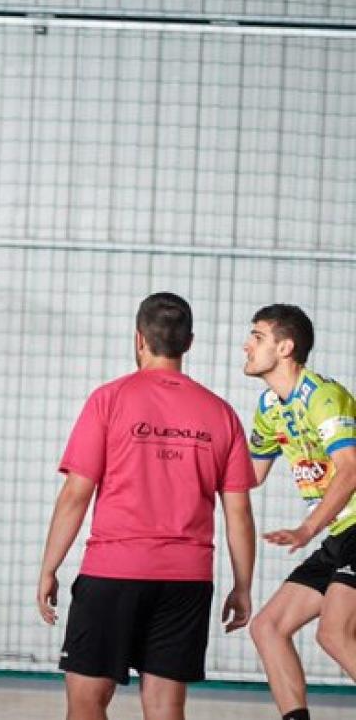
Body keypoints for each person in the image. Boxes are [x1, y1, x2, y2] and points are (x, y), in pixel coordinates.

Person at [36, 292, 257, 720]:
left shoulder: (109, 400)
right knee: (165, 708)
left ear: (138, 338)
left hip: (113, 571)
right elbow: (239, 514)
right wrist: (243, 586)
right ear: (188, 342)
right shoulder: (221, 414)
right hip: (187, 581)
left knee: (85, 703)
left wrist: (49, 567)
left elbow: (75, 495)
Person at [242, 304, 356, 720]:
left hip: (353, 527)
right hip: (340, 534)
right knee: (267, 628)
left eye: (257, 336)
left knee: (335, 634)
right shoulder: (270, 407)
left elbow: (350, 471)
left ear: (285, 347)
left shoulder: (323, 396)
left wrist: (307, 529)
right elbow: (249, 476)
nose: (246, 345)